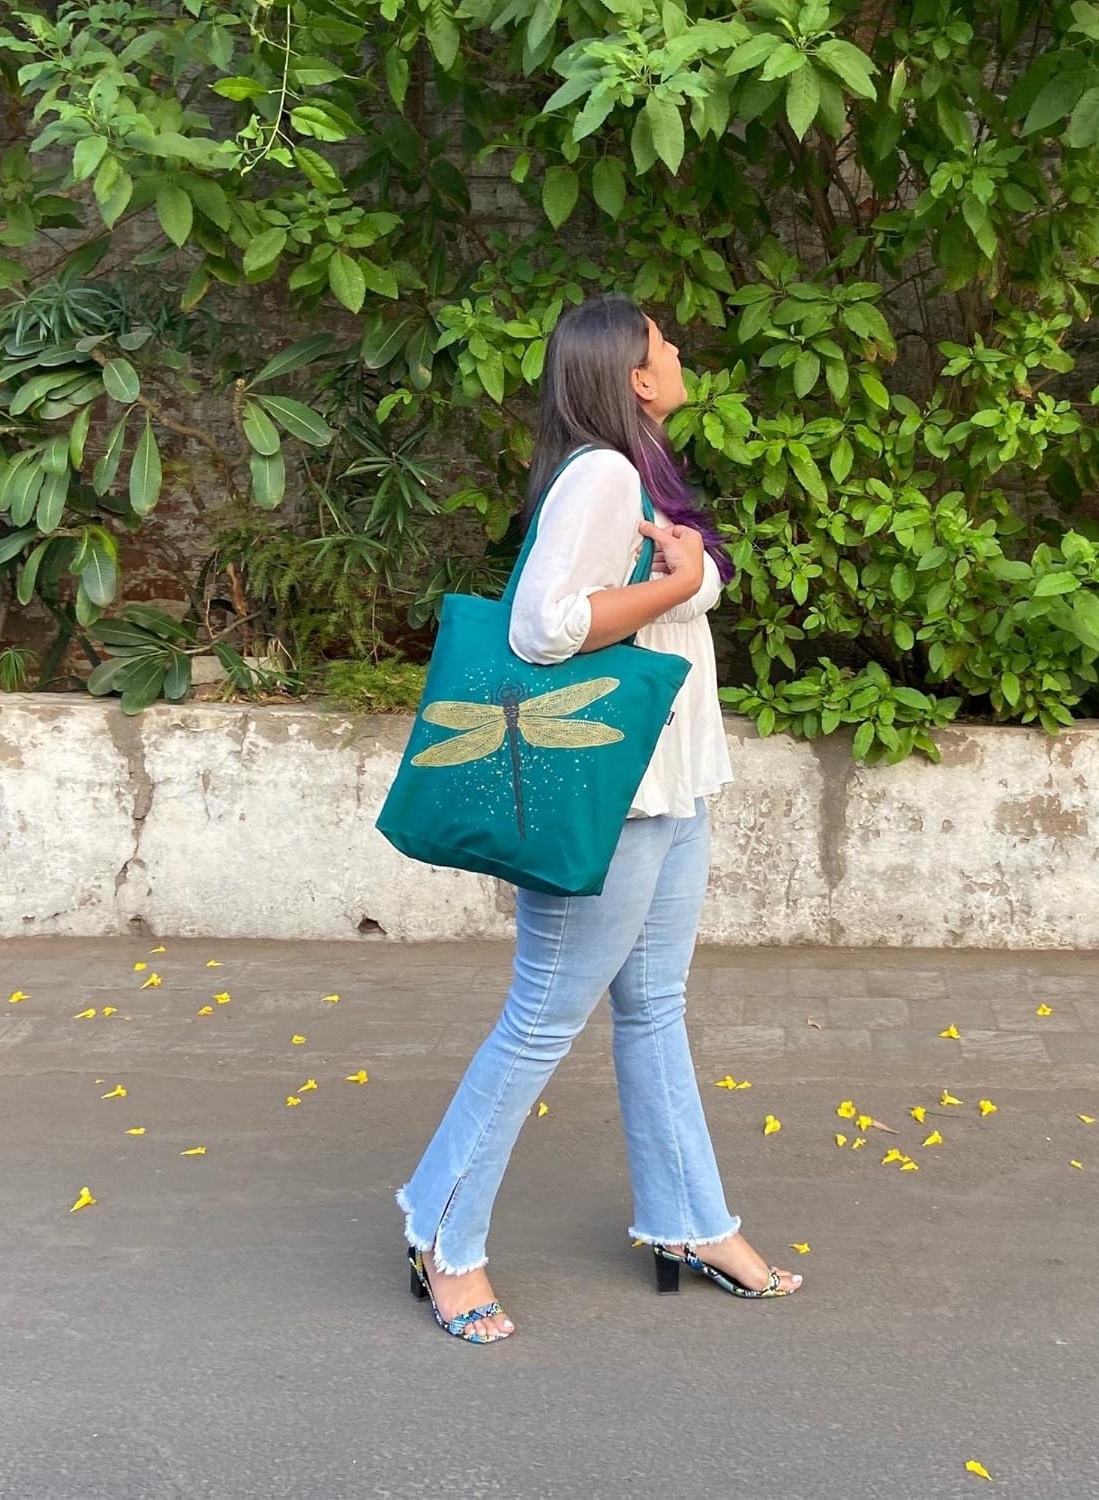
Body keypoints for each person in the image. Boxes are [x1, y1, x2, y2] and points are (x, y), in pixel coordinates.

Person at [395, 292, 803, 1343]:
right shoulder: (604, 474)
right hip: (613, 804)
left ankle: (689, 1221)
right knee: (540, 1020)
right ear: (630, 371)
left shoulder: (642, 470)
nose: (679, 352)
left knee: (654, 1007)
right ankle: (444, 1234)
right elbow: (543, 630)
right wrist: (674, 589)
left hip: (671, 789)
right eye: (665, 343)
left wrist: (678, 578)